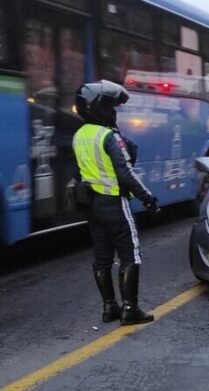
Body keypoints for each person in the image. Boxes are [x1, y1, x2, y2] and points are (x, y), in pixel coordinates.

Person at [73, 80, 159, 326]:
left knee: (102, 259)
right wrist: (149, 199)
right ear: (99, 109)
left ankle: (109, 307)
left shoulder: (80, 135)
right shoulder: (109, 136)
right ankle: (130, 309)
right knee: (130, 256)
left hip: (93, 207)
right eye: (111, 107)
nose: (114, 112)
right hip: (115, 204)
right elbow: (126, 173)